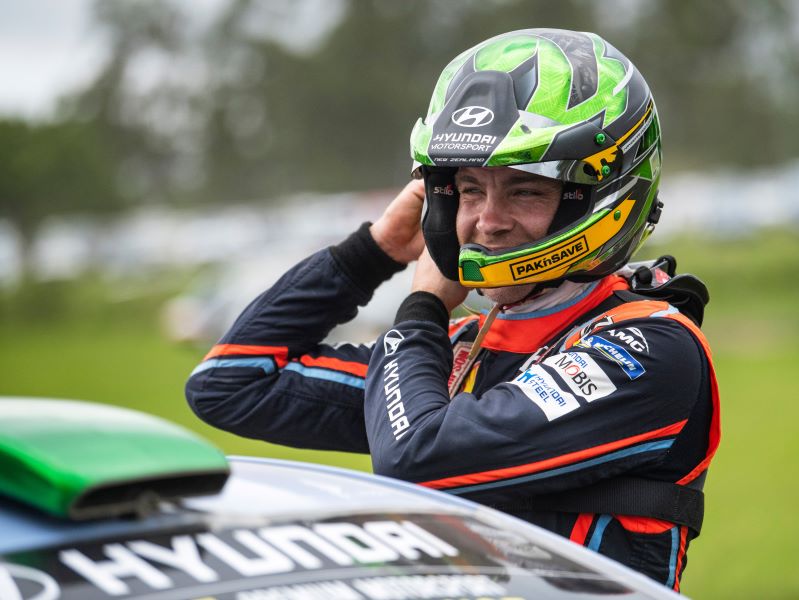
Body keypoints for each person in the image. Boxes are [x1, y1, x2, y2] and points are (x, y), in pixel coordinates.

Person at [186, 28, 720, 590]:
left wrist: (421, 310)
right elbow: (231, 383)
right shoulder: (464, 347)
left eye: (525, 190)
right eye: (468, 190)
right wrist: (373, 251)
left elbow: (415, 459)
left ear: (600, 193)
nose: (487, 222)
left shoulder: (650, 348)